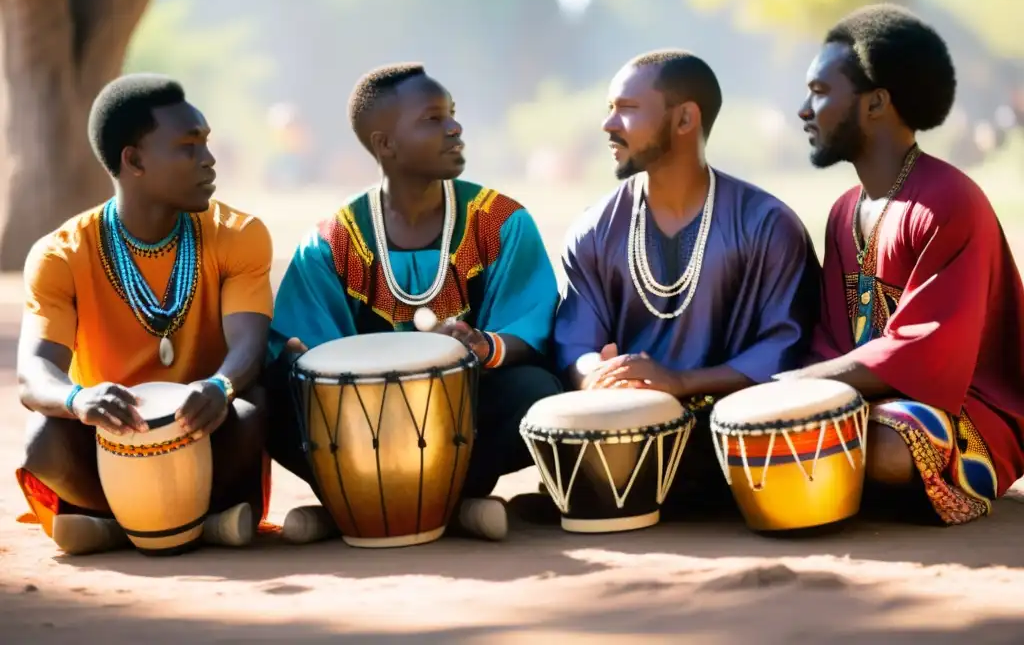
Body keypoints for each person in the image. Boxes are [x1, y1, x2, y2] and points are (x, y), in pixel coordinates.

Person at [265, 63, 562, 543]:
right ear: (386, 145)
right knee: (272, 393)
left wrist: (483, 344)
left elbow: (531, 327)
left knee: (535, 390)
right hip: (356, 429)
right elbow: (300, 349)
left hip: (462, 420)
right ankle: (362, 501)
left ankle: (431, 502)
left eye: (453, 114)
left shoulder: (501, 221)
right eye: (432, 119)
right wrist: (304, 360)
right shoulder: (332, 240)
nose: (454, 127)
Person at [782, 3, 1024, 525]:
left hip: (966, 409)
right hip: (866, 398)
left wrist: (801, 387)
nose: (804, 109)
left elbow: (929, 353)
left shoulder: (949, 200)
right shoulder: (843, 211)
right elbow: (831, 337)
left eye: (820, 93)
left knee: (889, 446)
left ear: (875, 104)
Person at [16, 74, 275, 555]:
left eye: (206, 141)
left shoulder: (238, 234)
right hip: (109, 443)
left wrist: (219, 386)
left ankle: (116, 529)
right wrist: (79, 400)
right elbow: (33, 374)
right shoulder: (61, 254)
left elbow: (250, 345)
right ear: (133, 160)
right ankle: (187, 525)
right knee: (42, 443)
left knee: (252, 408)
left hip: (206, 431)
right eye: (187, 146)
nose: (209, 159)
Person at [553, 49, 820, 509]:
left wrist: (681, 382)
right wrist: (597, 374)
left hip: (741, 441)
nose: (608, 124)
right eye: (609, 108)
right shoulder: (595, 231)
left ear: (684, 120)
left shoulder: (767, 225)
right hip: (628, 439)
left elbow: (785, 347)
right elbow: (575, 344)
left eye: (627, 109)